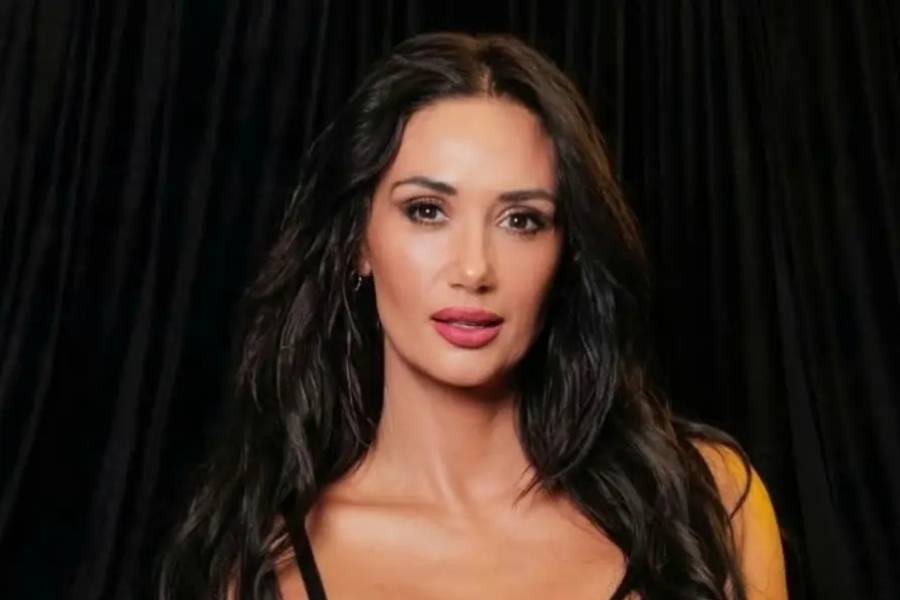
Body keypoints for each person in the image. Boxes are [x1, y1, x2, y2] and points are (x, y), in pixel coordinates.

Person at [155, 32, 787, 600]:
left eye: (521, 220)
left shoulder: (708, 503)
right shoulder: (261, 563)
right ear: (358, 243)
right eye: (427, 211)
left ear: (566, 251)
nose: (474, 268)